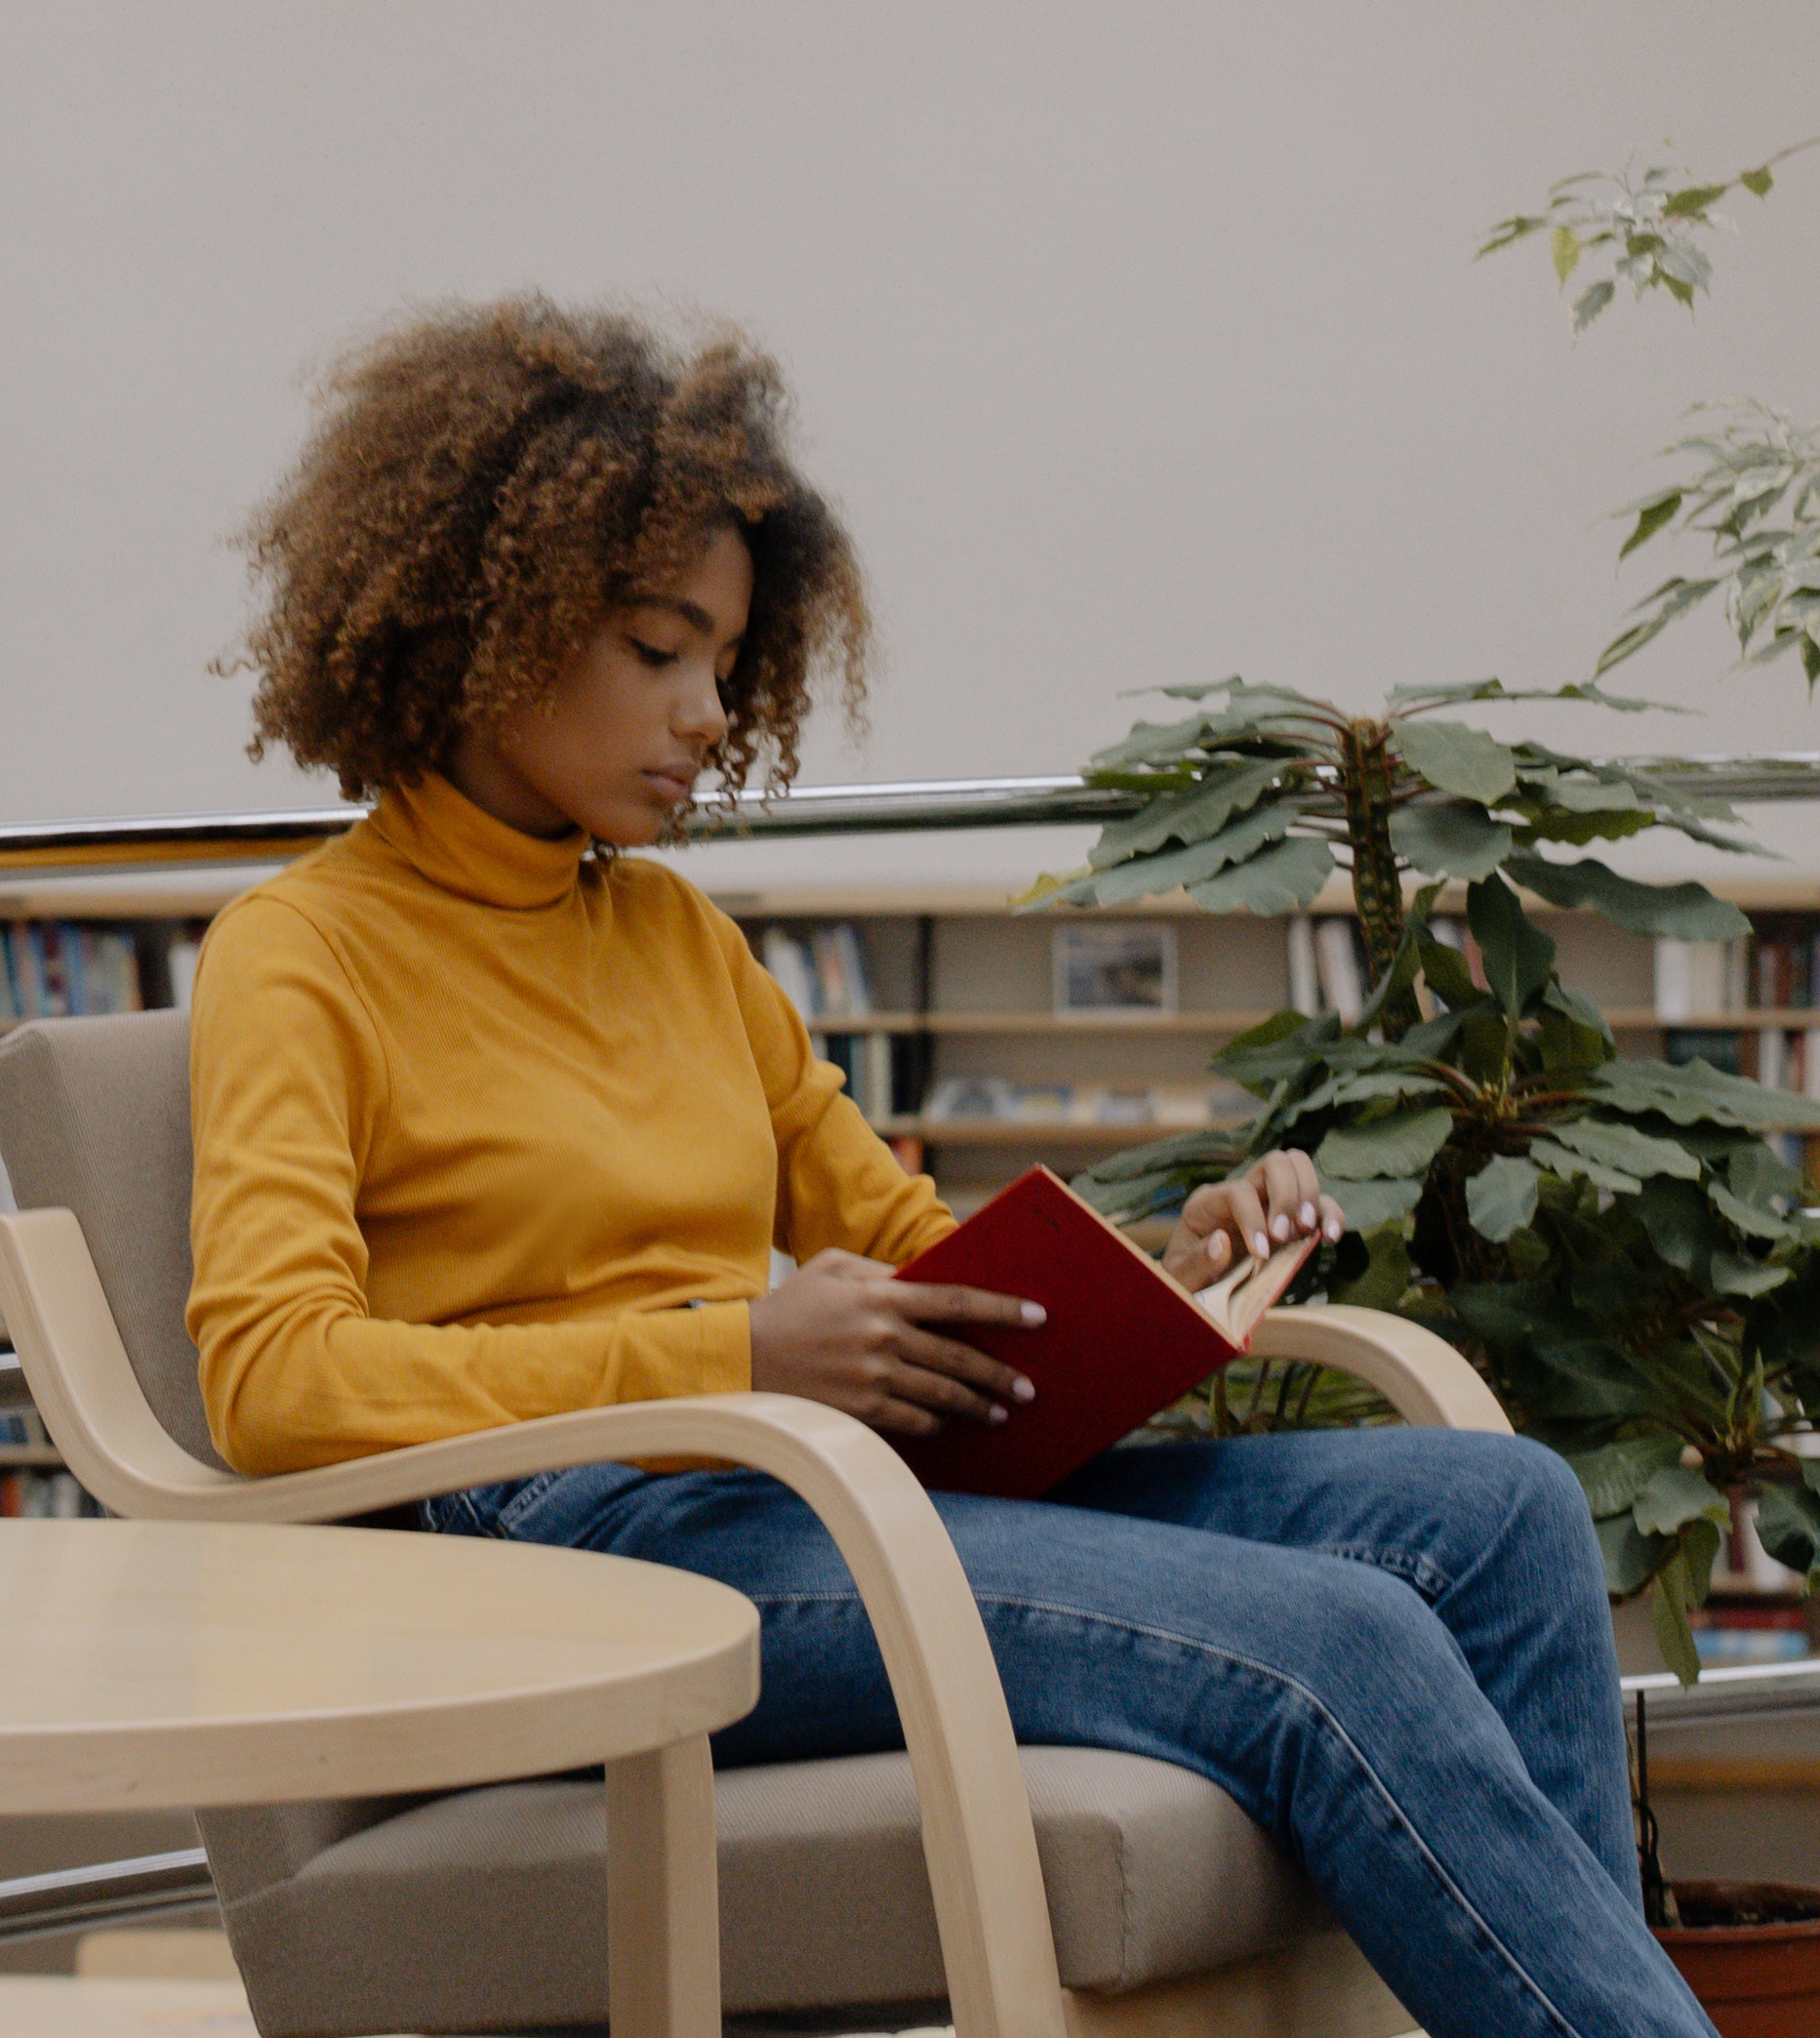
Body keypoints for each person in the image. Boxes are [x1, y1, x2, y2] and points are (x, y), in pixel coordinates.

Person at [186, 297, 1720, 2038]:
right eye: (655, 646)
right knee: (1337, 1647)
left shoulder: (677, 938)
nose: (705, 711)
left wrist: (1160, 1265)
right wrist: (730, 1356)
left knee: (1500, 1512)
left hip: (806, 1484)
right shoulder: (302, 952)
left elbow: (911, 1243)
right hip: (570, 1557)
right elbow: (271, 1377)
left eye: (725, 663)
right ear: (493, 619)